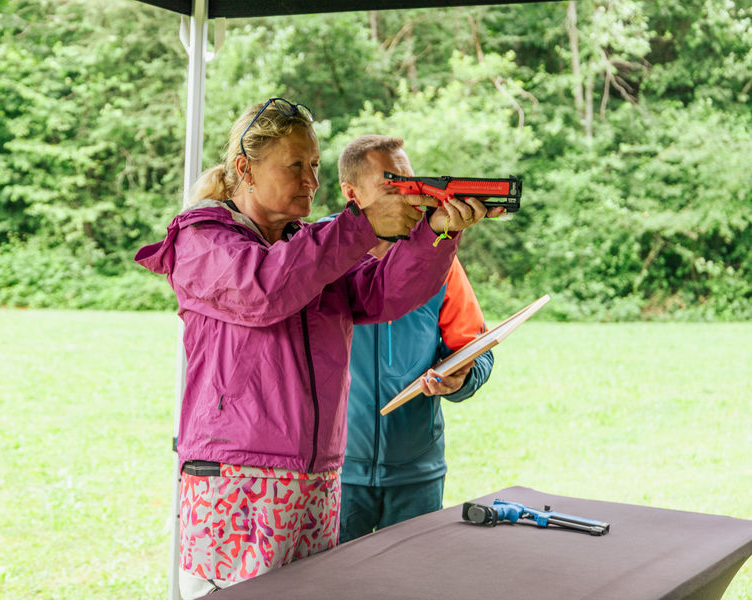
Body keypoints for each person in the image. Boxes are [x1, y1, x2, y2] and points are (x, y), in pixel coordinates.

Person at [134, 98, 494, 598]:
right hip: (239, 480)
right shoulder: (202, 239)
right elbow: (263, 290)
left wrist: (437, 232)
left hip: (316, 478)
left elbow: (384, 293)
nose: (312, 182)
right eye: (296, 165)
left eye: (316, 166)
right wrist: (361, 225)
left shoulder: (311, 247)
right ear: (246, 169)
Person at [329, 135, 497, 543]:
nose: (412, 196)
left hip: (417, 473)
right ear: (352, 193)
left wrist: (461, 378)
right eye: (394, 185)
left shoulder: (441, 256)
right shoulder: (319, 255)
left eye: (414, 184)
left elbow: (474, 348)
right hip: (333, 473)